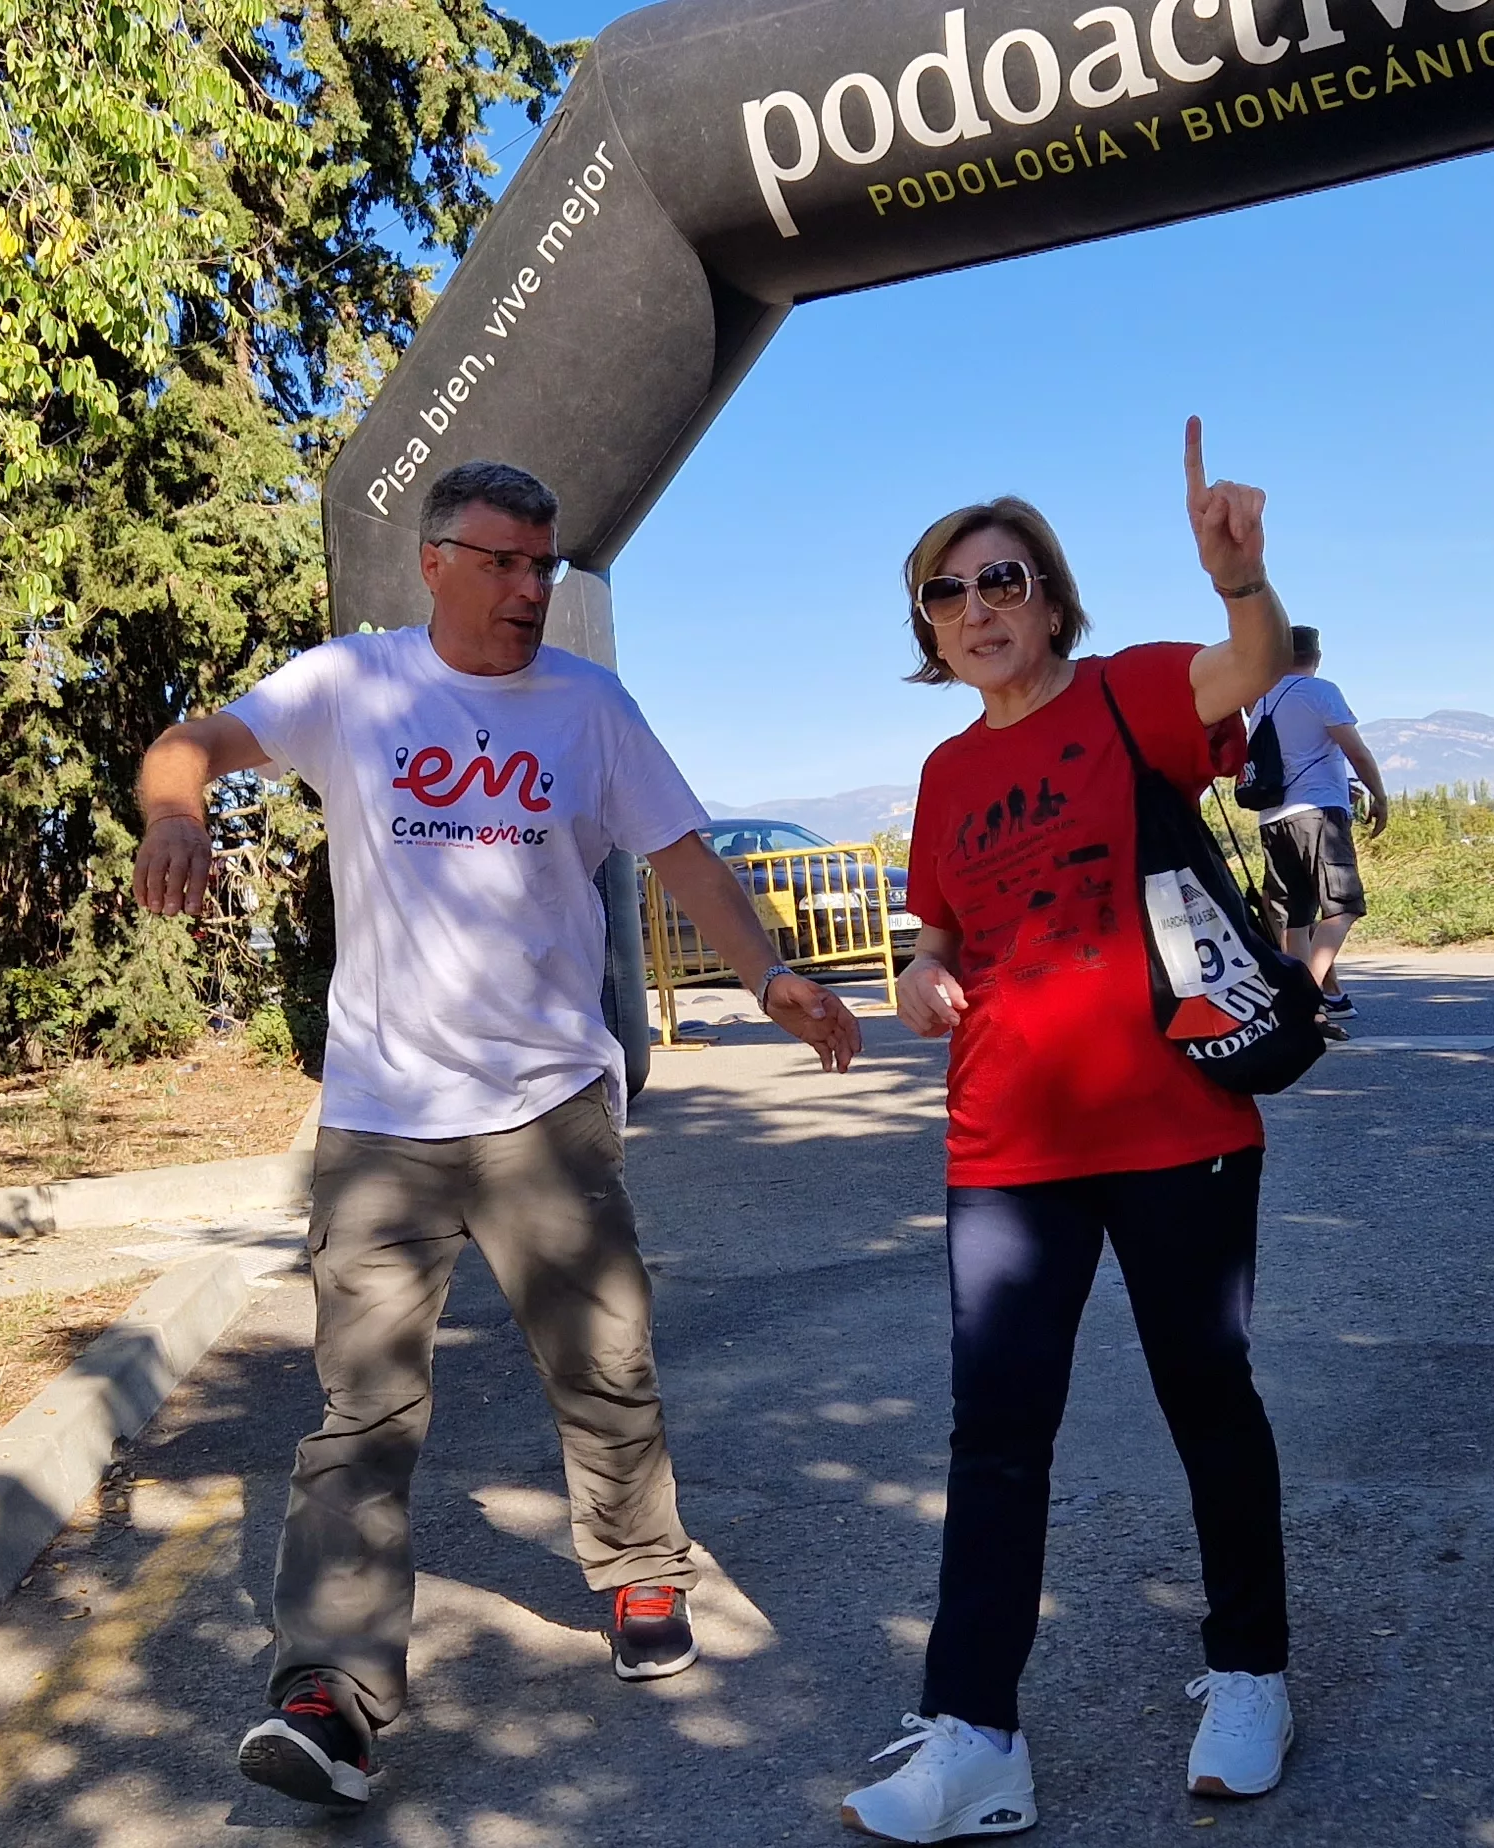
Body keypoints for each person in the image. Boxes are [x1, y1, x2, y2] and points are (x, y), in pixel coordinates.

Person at [134, 459, 864, 1809]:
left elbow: (686, 856)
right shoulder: (352, 684)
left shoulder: (589, 708)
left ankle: (641, 1565)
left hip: (545, 1105)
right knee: (363, 1411)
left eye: (547, 566)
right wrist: (175, 816)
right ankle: (333, 1697)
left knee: (604, 1362)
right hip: (379, 1119)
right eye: (507, 563)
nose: (532, 589)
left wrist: (769, 978)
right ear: (437, 562)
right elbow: (192, 744)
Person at [839, 421, 1298, 1843]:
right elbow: (935, 934)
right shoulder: (940, 777)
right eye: (949, 592)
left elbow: (1255, 668)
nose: (978, 608)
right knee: (997, 1440)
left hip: (1175, 1127)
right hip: (1005, 1148)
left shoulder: (1127, 698)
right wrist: (918, 974)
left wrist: (1241, 583)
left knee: (1205, 1402)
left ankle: (1251, 1673)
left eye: (1004, 580)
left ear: (1050, 598)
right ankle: (977, 1735)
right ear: (930, 623)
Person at [1244, 626, 1388, 1031]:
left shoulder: (1261, 703)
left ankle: (1311, 1011)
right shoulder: (1320, 691)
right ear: (1317, 656)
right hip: (1318, 813)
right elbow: (1354, 748)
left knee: (1297, 916)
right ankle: (1306, 993)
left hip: (1273, 819)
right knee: (1343, 906)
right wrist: (1379, 795)